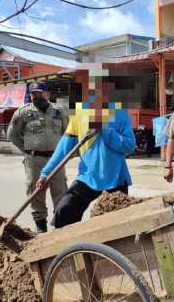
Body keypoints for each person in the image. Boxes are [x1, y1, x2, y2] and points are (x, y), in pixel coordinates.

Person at [36, 89, 136, 229]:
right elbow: (63, 149)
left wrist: (105, 130)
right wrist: (46, 173)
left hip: (116, 178)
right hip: (88, 176)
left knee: (115, 223)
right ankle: (67, 247)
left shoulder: (120, 112)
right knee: (64, 210)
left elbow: (129, 145)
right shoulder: (79, 114)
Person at [7, 82, 68, 233]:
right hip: (34, 161)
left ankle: (60, 226)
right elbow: (12, 135)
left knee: (60, 191)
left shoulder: (59, 111)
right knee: (36, 193)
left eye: (39, 93)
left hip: (56, 159)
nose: (36, 96)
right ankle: (41, 228)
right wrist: (28, 150)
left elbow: (66, 133)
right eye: (33, 94)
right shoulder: (23, 113)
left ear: (47, 94)